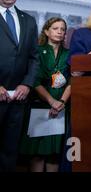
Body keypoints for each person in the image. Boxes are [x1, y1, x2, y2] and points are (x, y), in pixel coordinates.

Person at [20, 17, 71, 172]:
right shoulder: (37, 51)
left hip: (61, 108)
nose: (59, 32)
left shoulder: (69, 54)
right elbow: (34, 81)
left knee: (54, 154)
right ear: (47, 31)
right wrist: (51, 101)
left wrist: (61, 102)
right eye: (55, 28)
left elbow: (72, 80)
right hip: (39, 107)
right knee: (37, 154)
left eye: (62, 29)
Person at [0, 0, 39, 172]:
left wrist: (27, 83)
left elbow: (34, 58)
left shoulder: (29, 21)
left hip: (18, 99)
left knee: (10, 150)